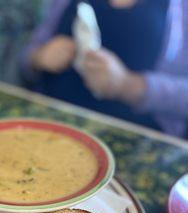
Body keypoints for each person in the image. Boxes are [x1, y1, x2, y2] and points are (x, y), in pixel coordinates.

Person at [21, 0, 188, 139]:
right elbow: (28, 55)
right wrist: (38, 57)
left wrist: (129, 85)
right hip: (50, 121)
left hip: (133, 138)